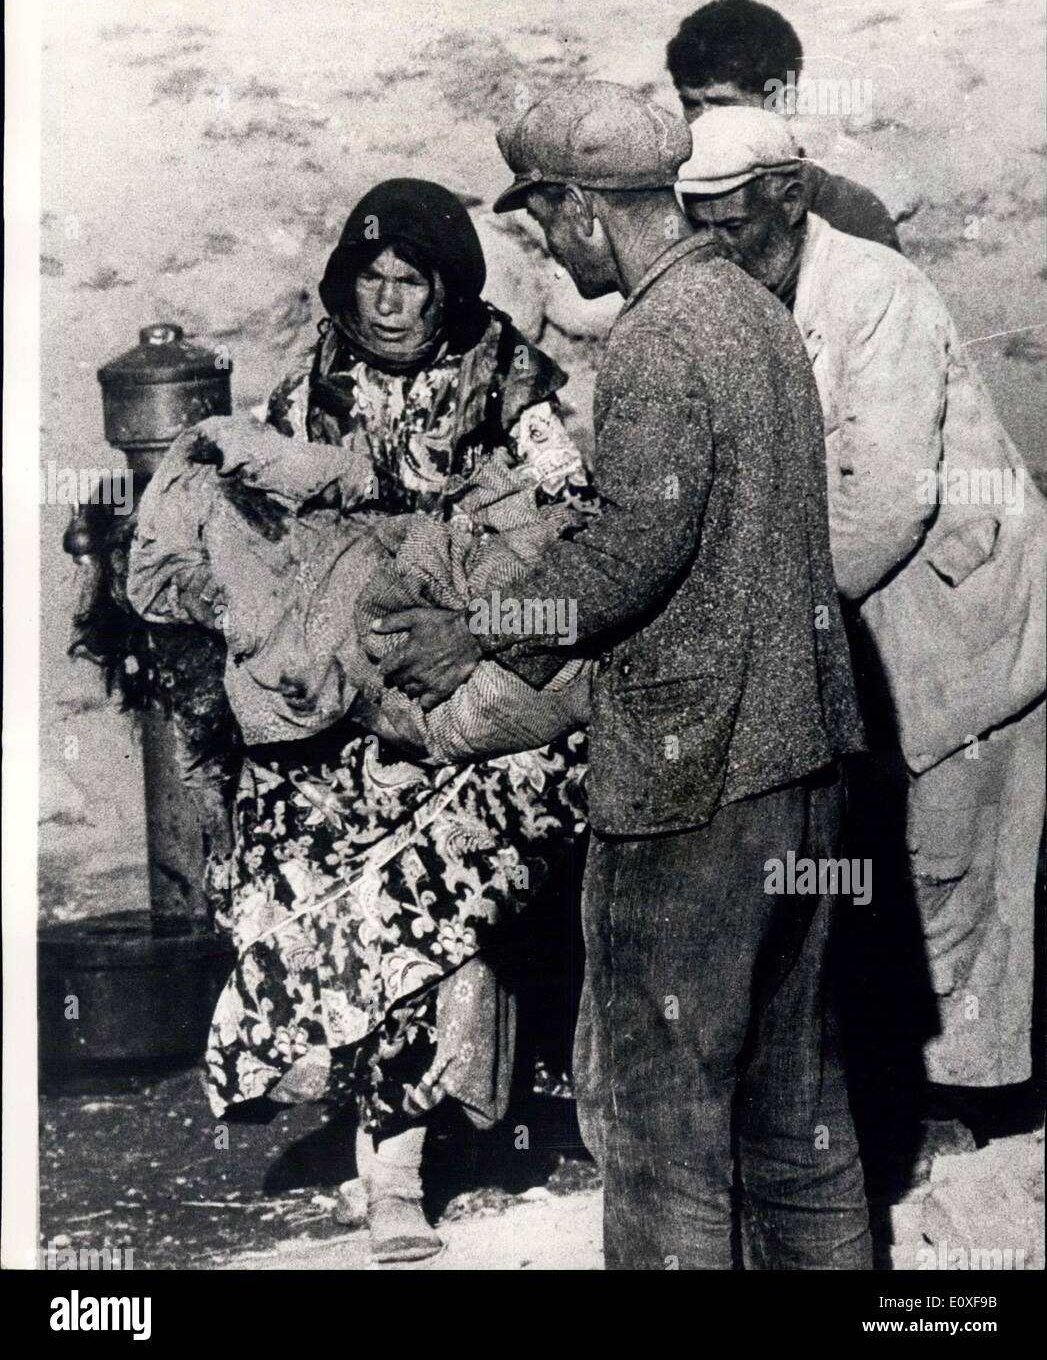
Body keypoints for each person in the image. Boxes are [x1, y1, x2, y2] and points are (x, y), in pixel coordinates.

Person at [377, 81, 873, 1270]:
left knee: (657, 1123)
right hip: (804, 767)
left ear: (587, 212)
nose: (551, 257)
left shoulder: (658, 335)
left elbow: (630, 560)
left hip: (691, 784)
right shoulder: (755, 308)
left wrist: (477, 627)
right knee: (797, 1117)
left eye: (547, 231)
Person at [128, 178, 596, 1265]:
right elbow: (274, 527)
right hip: (334, 697)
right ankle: (367, 1129)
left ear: (448, 289)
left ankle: (399, 1175)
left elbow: (565, 517)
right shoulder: (313, 385)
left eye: (411, 283)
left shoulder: (506, 378)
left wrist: (467, 573)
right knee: (322, 904)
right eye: (371, 281)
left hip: (446, 683)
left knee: (432, 924)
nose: (388, 304)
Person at [676, 106, 1047, 1150]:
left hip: (965, 633)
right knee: (882, 879)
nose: (712, 248)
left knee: (953, 883)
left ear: (790, 197)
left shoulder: (878, 292)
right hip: (866, 640)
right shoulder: (747, 297)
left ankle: (967, 1126)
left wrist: (743, 622)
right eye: (691, 224)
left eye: (730, 224)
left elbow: (881, 498)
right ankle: (909, 1111)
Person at [666, 0, 902, 252]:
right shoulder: (668, 209)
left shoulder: (851, 214)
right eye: (690, 104)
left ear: (781, 103)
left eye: (723, 104)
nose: (703, 123)